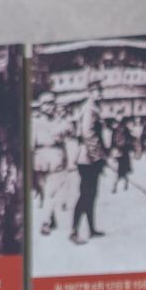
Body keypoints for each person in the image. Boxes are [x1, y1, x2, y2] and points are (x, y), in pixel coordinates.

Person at [29, 89, 74, 236]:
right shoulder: (34, 122)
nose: (50, 107)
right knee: (45, 192)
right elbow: (30, 145)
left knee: (50, 192)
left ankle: (45, 222)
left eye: (52, 103)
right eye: (46, 104)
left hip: (56, 158)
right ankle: (51, 219)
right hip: (40, 160)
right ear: (40, 106)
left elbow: (70, 132)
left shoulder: (60, 121)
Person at [70, 83, 108, 244]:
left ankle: (91, 229)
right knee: (86, 195)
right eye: (96, 91)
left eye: (100, 91)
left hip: (89, 158)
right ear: (90, 93)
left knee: (91, 194)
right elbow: (88, 133)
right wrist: (97, 156)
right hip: (87, 159)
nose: (100, 94)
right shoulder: (90, 109)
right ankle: (74, 231)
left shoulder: (93, 108)